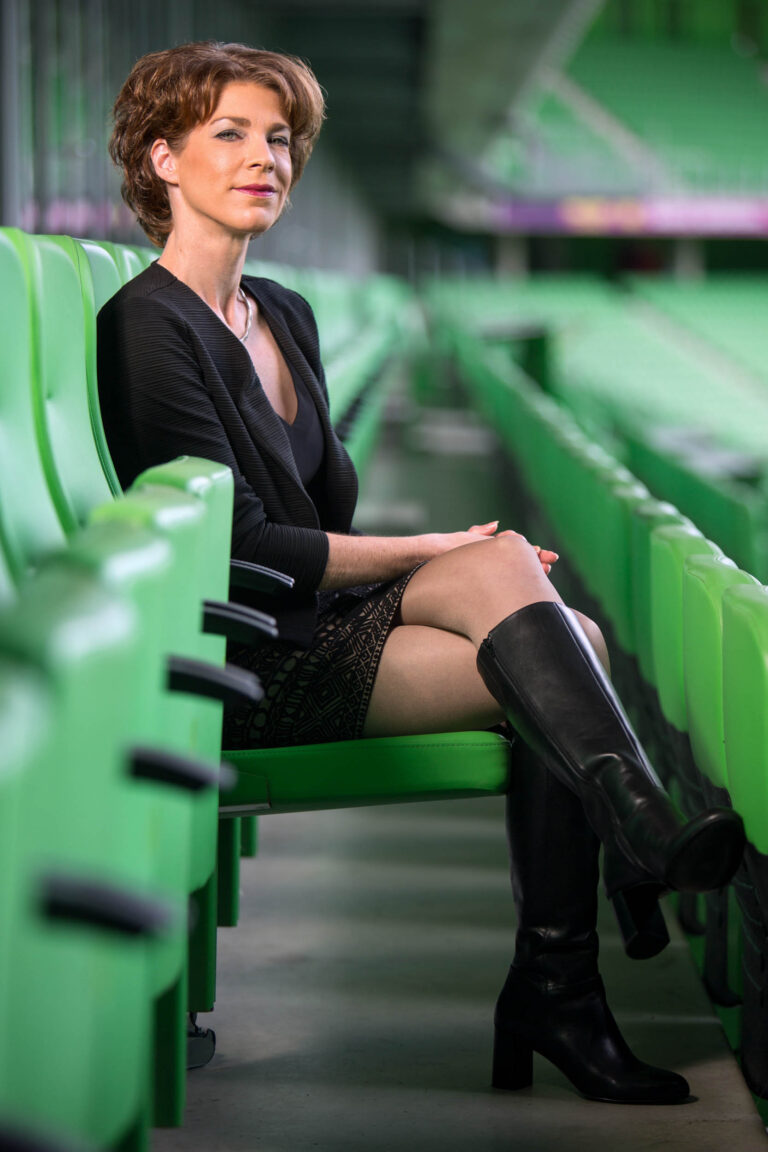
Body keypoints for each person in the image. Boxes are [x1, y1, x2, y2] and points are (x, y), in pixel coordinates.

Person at [98, 41, 745, 1105]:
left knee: (561, 636)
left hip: (314, 620)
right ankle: (589, 928)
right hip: (239, 658)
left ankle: (578, 946)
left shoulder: (283, 315)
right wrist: (441, 551)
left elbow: (323, 519)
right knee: (535, 620)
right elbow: (243, 550)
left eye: (279, 139)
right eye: (230, 135)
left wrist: (463, 561)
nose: (266, 158)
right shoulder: (147, 329)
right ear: (162, 161)